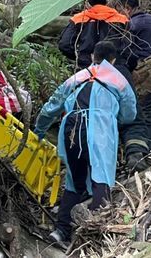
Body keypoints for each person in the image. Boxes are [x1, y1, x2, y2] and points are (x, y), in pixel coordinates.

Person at [34, 41, 137, 244]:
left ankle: (61, 230)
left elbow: (52, 106)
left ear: (92, 57)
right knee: (102, 178)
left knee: (74, 179)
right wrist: (113, 117)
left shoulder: (77, 78)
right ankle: (94, 235)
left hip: (72, 127)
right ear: (113, 60)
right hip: (100, 128)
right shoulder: (119, 80)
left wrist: (39, 130)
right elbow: (129, 113)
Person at [116, 0, 151, 172]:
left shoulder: (133, 24)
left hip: (147, 70)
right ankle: (150, 147)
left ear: (127, 9)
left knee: (143, 110)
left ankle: (141, 154)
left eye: (120, 10)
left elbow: (126, 52)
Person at [58, 0, 129, 69]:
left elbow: (64, 44)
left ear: (88, 1)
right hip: (114, 67)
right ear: (108, 0)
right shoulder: (122, 19)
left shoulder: (79, 19)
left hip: (85, 66)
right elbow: (129, 46)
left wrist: (80, 58)